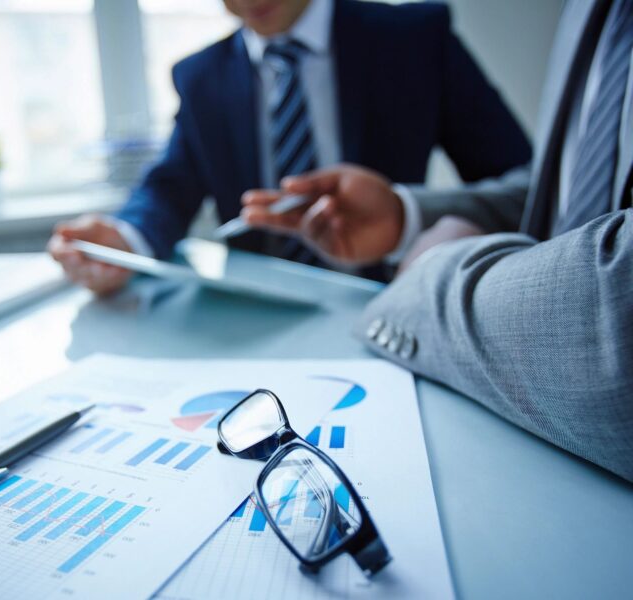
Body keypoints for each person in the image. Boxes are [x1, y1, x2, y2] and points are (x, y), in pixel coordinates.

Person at [242, 0, 633, 482]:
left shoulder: (414, 31)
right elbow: (563, 193)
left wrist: (425, 272)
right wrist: (407, 217)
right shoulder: (587, 11)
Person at [48, 0, 531, 295]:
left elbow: (525, 184)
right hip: (259, 320)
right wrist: (124, 238)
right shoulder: (201, 77)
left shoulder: (413, 39)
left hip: (393, 300)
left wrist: (412, 223)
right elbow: (169, 188)